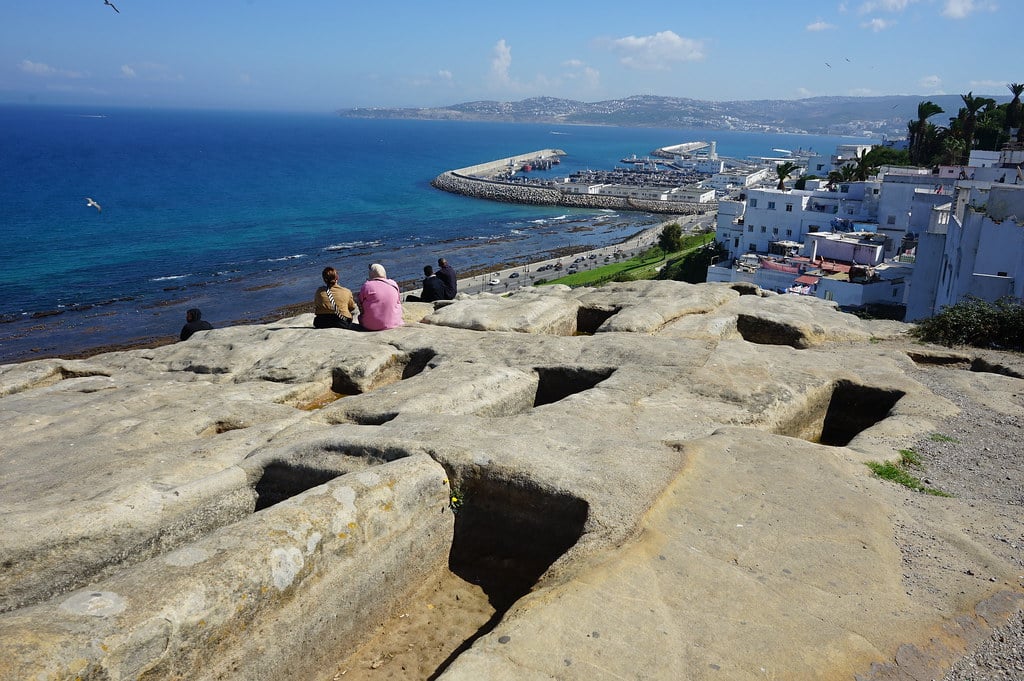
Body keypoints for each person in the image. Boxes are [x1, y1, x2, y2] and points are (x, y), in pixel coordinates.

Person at [357, 263, 404, 331]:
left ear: (371, 274)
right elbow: (398, 301)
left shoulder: (367, 286)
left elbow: (360, 302)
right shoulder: (393, 284)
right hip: (394, 322)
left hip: (371, 325)